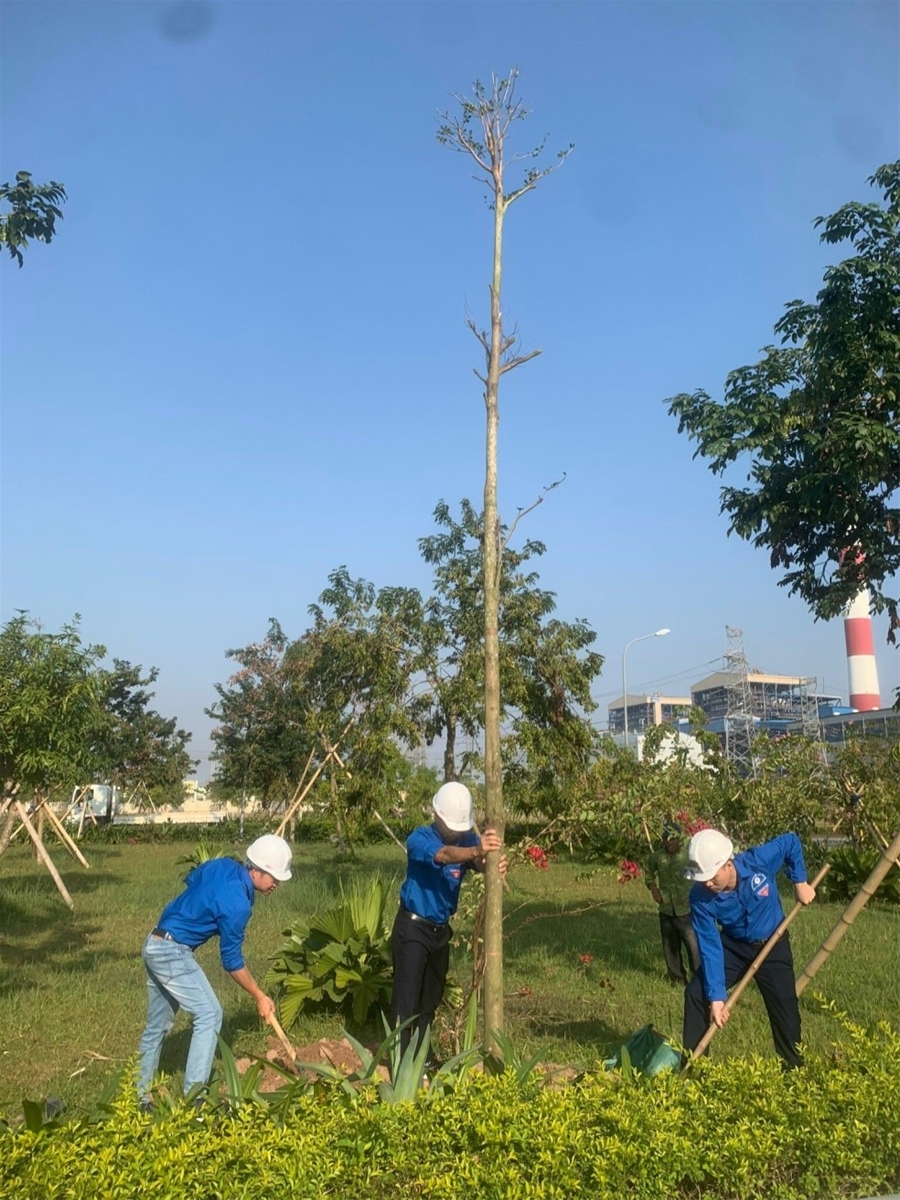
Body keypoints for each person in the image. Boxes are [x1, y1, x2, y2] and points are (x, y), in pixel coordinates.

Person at [137, 833, 292, 1106]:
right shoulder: (238, 905)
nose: (277, 884)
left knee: (157, 1026)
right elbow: (231, 961)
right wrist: (259, 995)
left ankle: (139, 1097)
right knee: (210, 1013)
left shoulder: (222, 865)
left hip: (155, 941)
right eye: (273, 877)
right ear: (255, 871)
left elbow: (193, 880)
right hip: (172, 951)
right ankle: (195, 1100)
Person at [390, 781, 507, 1060]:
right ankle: (399, 1061)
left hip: (440, 931)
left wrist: (492, 862)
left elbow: (477, 863)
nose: (455, 833)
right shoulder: (419, 840)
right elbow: (444, 856)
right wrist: (476, 851)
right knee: (406, 999)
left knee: (430, 997)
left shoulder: (466, 841)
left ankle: (422, 1056)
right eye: (450, 826)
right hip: (413, 929)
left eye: (460, 828)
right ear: (436, 815)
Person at [682, 828, 816, 1069]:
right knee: (696, 993)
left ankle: (793, 1073)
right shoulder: (699, 897)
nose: (708, 883)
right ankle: (696, 1070)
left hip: (773, 943)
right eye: (703, 879)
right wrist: (717, 997)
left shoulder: (758, 861)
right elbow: (710, 945)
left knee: (785, 1008)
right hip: (733, 946)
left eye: (712, 876)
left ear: (727, 864)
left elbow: (791, 842)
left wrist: (800, 882)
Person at [645, 822, 701, 984]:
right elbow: (649, 873)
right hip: (666, 908)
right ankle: (677, 979)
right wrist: (653, 888)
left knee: (693, 946)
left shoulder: (687, 856)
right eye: (666, 839)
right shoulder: (657, 857)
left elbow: (696, 876)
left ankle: (698, 978)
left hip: (685, 909)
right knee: (670, 946)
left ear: (679, 840)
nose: (670, 843)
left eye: (673, 839)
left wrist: (689, 893)